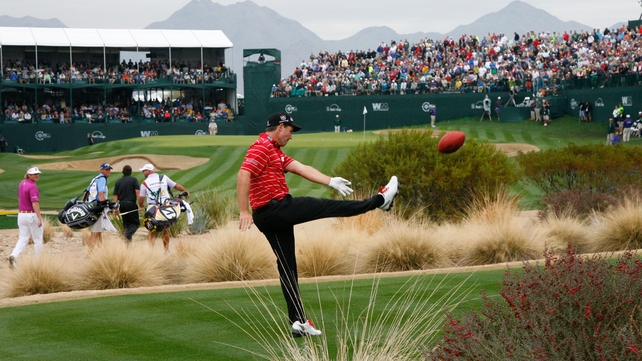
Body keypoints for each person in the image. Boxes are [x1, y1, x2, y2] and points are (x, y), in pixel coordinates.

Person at [237, 112, 399, 337]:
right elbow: (244, 173)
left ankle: (298, 321)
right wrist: (243, 210)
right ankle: (380, 201)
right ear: (280, 126)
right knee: (326, 207)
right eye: (290, 131)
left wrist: (330, 180)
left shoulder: (275, 151)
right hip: (277, 209)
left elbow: (301, 168)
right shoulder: (262, 146)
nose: (291, 136)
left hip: (267, 216)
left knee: (287, 267)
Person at [138, 163, 190, 252]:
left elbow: (141, 198)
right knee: (166, 228)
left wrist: (141, 205)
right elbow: (176, 186)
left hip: (152, 208)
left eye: (144, 170)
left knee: (151, 229)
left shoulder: (145, 183)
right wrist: (185, 191)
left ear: (149, 171)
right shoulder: (163, 177)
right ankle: (166, 250)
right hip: (165, 206)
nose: (143, 172)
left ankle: (151, 251)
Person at [8, 167, 44, 268]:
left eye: (37, 173)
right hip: (31, 215)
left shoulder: (22, 183)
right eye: (34, 174)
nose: (36, 175)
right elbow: (35, 203)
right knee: (38, 239)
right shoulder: (32, 186)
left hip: (21, 215)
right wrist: (39, 218)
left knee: (23, 238)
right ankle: (38, 263)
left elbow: (19, 198)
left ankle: (14, 255)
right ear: (28, 174)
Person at [86, 162, 113, 248]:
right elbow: (101, 194)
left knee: (98, 231)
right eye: (106, 169)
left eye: (109, 169)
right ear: (101, 170)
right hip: (98, 208)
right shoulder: (102, 179)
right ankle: (89, 255)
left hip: (91, 206)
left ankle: (101, 250)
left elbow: (86, 192)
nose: (109, 171)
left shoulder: (95, 178)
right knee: (95, 231)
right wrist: (105, 205)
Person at [113, 165, 140, 242]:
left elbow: (116, 196)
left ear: (123, 172)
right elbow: (137, 192)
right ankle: (127, 235)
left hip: (122, 205)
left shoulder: (118, 181)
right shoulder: (134, 180)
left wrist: (115, 208)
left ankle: (127, 246)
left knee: (126, 225)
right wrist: (141, 204)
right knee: (135, 224)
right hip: (131, 204)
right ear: (131, 172)